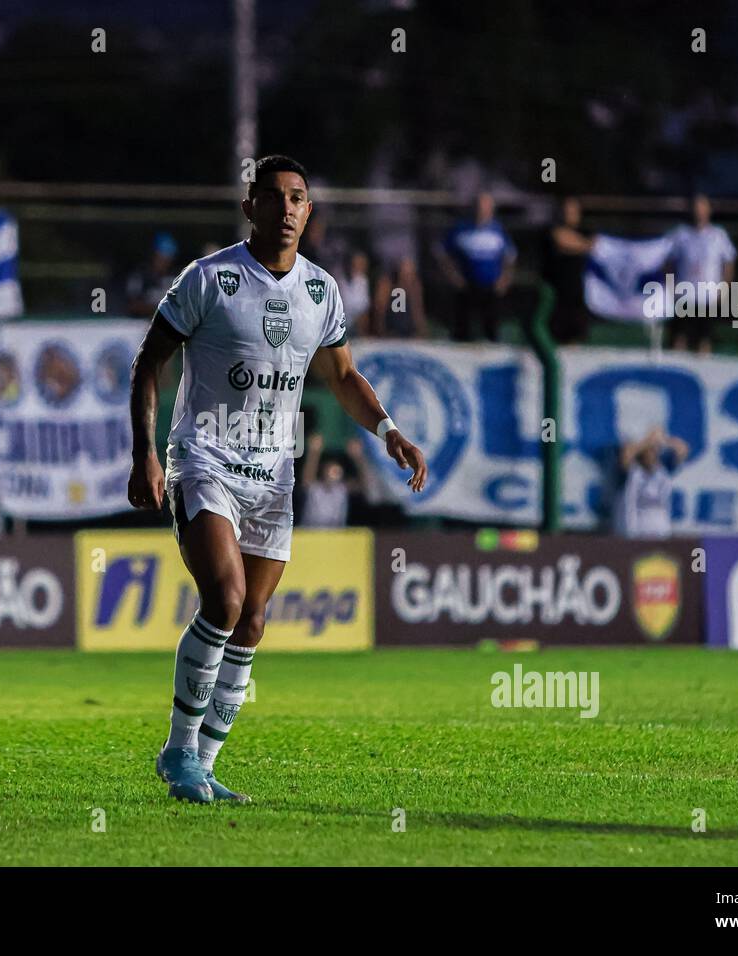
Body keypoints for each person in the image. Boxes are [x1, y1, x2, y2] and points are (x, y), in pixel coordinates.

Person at [127, 155, 428, 804]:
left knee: (254, 622)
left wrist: (388, 430)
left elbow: (343, 378)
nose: (288, 208)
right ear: (250, 208)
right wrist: (144, 454)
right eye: (275, 197)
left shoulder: (321, 292)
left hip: (272, 474)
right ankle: (178, 750)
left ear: (309, 212)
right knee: (226, 601)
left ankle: (203, 764)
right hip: (204, 459)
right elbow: (148, 363)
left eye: (299, 198)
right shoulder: (210, 279)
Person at [436, 191, 516, 342]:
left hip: (491, 287)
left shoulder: (498, 231)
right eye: (479, 206)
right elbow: (442, 254)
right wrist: (453, 276)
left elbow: (510, 257)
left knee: (491, 328)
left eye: (486, 207)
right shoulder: (460, 229)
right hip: (466, 286)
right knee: (462, 329)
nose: (482, 210)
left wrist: (505, 278)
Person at [666, 193, 736, 354]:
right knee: (680, 339)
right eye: (696, 206)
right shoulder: (680, 234)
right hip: (684, 295)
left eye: (702, 206)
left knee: (704, 341)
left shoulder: (718, 235)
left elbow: (729, 263)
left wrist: (724, 288)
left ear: (709, 210)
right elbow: (669, 263)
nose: (699, 210)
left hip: (708, 296)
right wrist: (671, 287)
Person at [614, 427, 689, 539]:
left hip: (660, 530)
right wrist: (648, 441)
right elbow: (627, 455)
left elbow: (683, 450)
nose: (652, 454)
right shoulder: (633, 471)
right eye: (648, 451)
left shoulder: (663, 470)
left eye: (654, 451)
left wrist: (664, 440)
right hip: (634, 531)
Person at [541, 196, 594, 344]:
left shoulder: (586, 231)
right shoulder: (550, 232)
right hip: (556, 296)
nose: (569, 214)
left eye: (573, 211)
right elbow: (562, 240)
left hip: (579, 296)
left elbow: (595, 245)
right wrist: (585, 245)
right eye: (566, 211)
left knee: (576, 339)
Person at [125, 232, 179, 318]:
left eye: (168, 258)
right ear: (153, 254)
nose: (164, 262)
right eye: (161, 257)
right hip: (139, 326)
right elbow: (132, 305)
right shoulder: (139, 277)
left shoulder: (176, 278)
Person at [336, 250, 372, 338]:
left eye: (362, 264)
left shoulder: (363, 281)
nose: (360, 267)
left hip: (356, 325)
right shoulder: (338, 279)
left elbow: (364, 308)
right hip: (338, 325)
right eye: (357, 263)